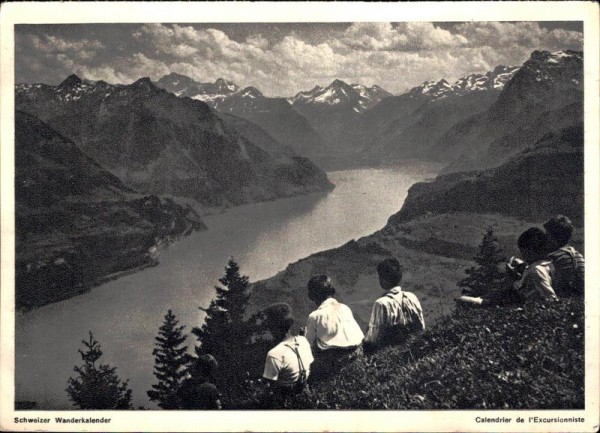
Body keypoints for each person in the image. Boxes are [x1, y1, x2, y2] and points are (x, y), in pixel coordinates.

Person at [303, 275, 364, 378]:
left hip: (336, 360)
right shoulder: (345, 308)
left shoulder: (315, 316)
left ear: (312, 296)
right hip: (358, 352)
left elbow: (307, 347)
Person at [363, 258, 425, 351]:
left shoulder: (381, 303)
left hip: (390, 352)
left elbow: (375, 339)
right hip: (414, 347)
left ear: (383, 279)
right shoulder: (412, 297)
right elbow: (421, 327)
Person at [262, 303, 314, 395]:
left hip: (285, 399)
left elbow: (269, 387)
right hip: (305, 393)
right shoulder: (303, 340)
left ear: (271, 326)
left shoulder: (274, 354)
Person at [512, 227, 558, 303]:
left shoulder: (535, 271)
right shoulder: (549, 264)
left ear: (529, 250)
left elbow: (551, 298)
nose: (522, 255)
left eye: (523, 251)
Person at [543, 215, 585, 297]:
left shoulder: (552, 258)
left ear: (551, 237)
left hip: (562, 300)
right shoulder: (578, 255)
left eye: (547, 234)